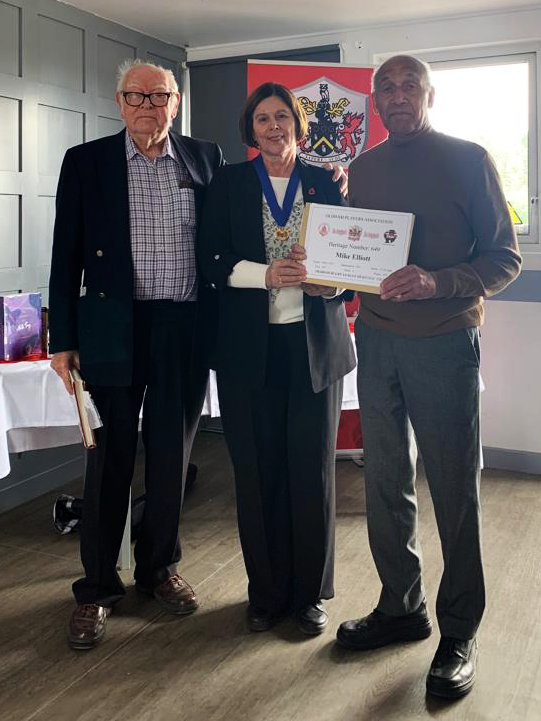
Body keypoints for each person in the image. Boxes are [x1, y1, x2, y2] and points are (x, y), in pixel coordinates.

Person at [336, 55, 521, 698]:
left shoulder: (469, 159)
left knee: (453, 490)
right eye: (384, 86)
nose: (396, 94)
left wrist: (438, 281)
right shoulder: (363, 167)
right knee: (384, 484)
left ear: (429, 93)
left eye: (408, 83)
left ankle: (460, 630)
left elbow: (505, 258)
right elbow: (359, 252)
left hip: (444, 343)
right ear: (374, 100)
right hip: (378, 341)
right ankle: (400, 606)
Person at [49, 59, 225, 650]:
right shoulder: (87, 161)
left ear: (176, 103)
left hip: (184, 325)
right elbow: (64, 255)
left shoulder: (206, 157)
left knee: (173, 456)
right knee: (110, 461)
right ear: (119, 101)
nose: (148, 105)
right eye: (136, 95)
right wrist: (63, 340)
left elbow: (226, 241)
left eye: (160, 95)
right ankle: (97, 587)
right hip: (110, 330)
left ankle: (158, 570)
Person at [197, 82, 356, 635]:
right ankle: (265, 593)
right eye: (262, 118)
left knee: (311, 472)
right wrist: (261, 274)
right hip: (248, 351)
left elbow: (352, 264)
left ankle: (310, 595)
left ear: (298, 124)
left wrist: (331, 289)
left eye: (282, 116)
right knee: (257, 474)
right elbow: (210, 260)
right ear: (250, 129)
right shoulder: (228, 183)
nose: (273, 126)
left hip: (313, 347)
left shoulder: (327, 182)